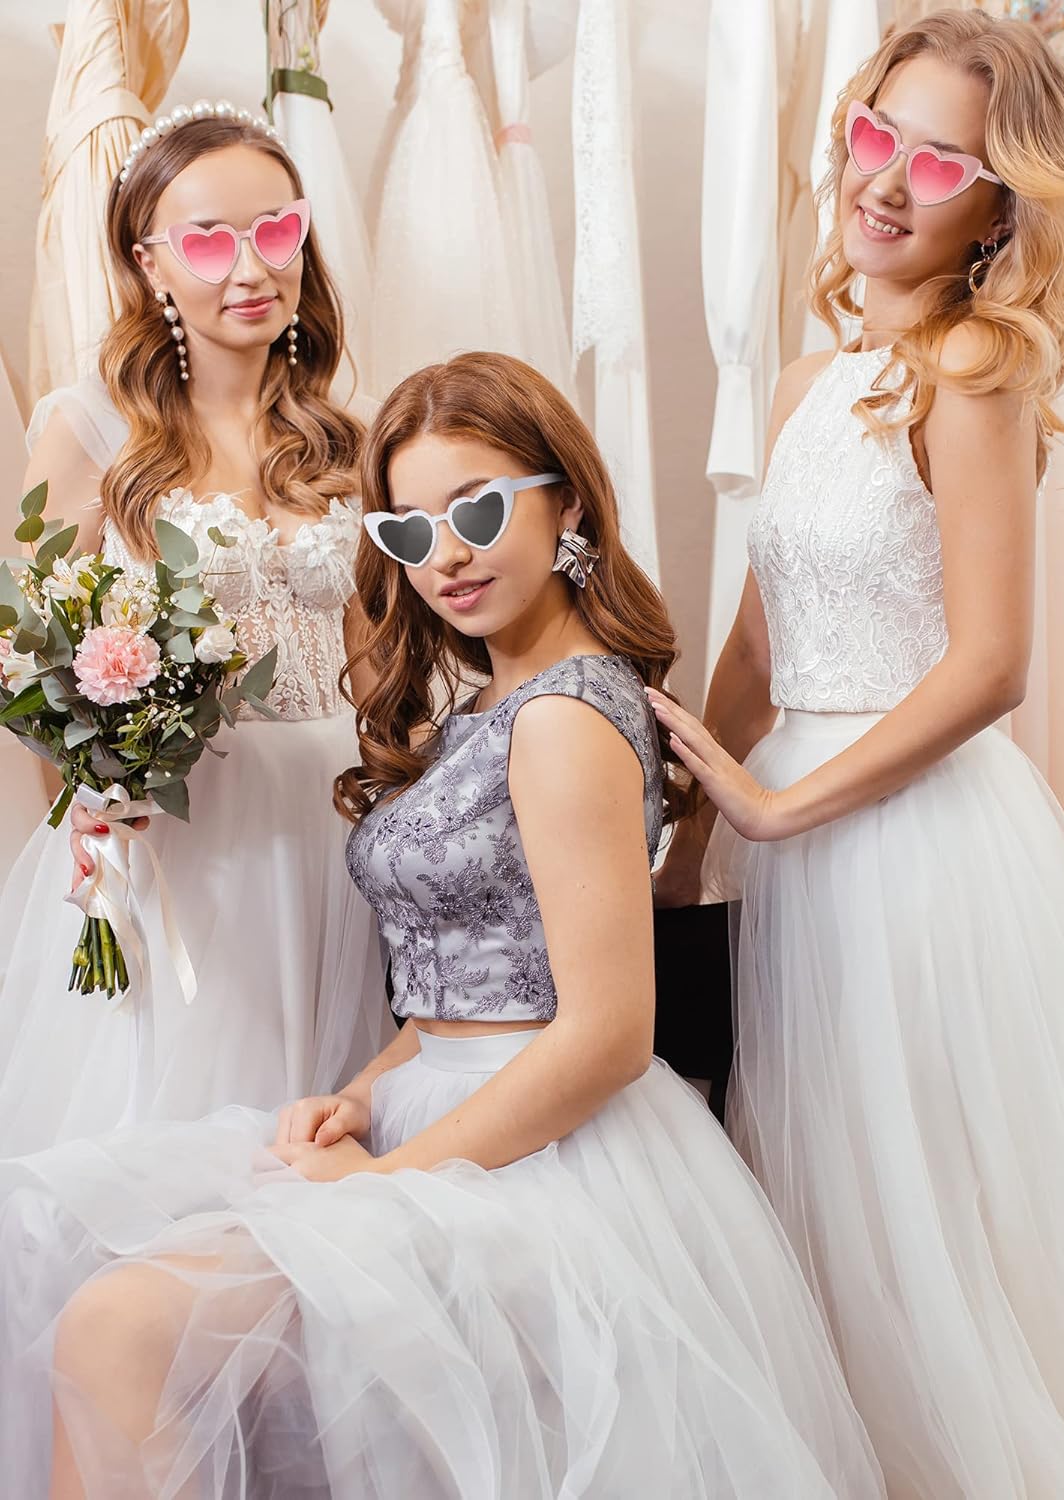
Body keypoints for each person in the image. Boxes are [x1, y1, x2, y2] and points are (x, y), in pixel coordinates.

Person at [0, 352, 884, 1499]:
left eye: (476, 511)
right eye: (411, 531)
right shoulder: (490, 704)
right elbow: (464, 986)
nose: (447, 557)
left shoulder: (564, 717)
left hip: (544, 1158)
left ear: (567, 502)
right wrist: (365, 1093)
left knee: (118, 1328)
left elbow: (607, 1034)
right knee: (93, 1285)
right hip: (445, 1116)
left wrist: (385, 1185)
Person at [651, 12, 1064, 1496]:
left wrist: (778, 811)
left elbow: (989, 665)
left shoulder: (976, 372)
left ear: (998, 206)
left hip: (914, 843)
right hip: (800, 838)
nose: (887, 181)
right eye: (876, 135)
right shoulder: (808, 382)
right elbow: (760, 643)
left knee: (922, 1193)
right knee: (826, 1170)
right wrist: (693, 834)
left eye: (940, 161)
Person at [0, 103, 386, 1153]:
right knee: (180, 1128)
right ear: (150, 262)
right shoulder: (93, 431)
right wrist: (91, 800)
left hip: (331, 823)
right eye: (210, 241)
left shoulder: (345, 441)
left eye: (277, 231)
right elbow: (28, 656)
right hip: (183, 839)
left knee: (319, 1130)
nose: (252, 269)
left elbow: (372, 664)